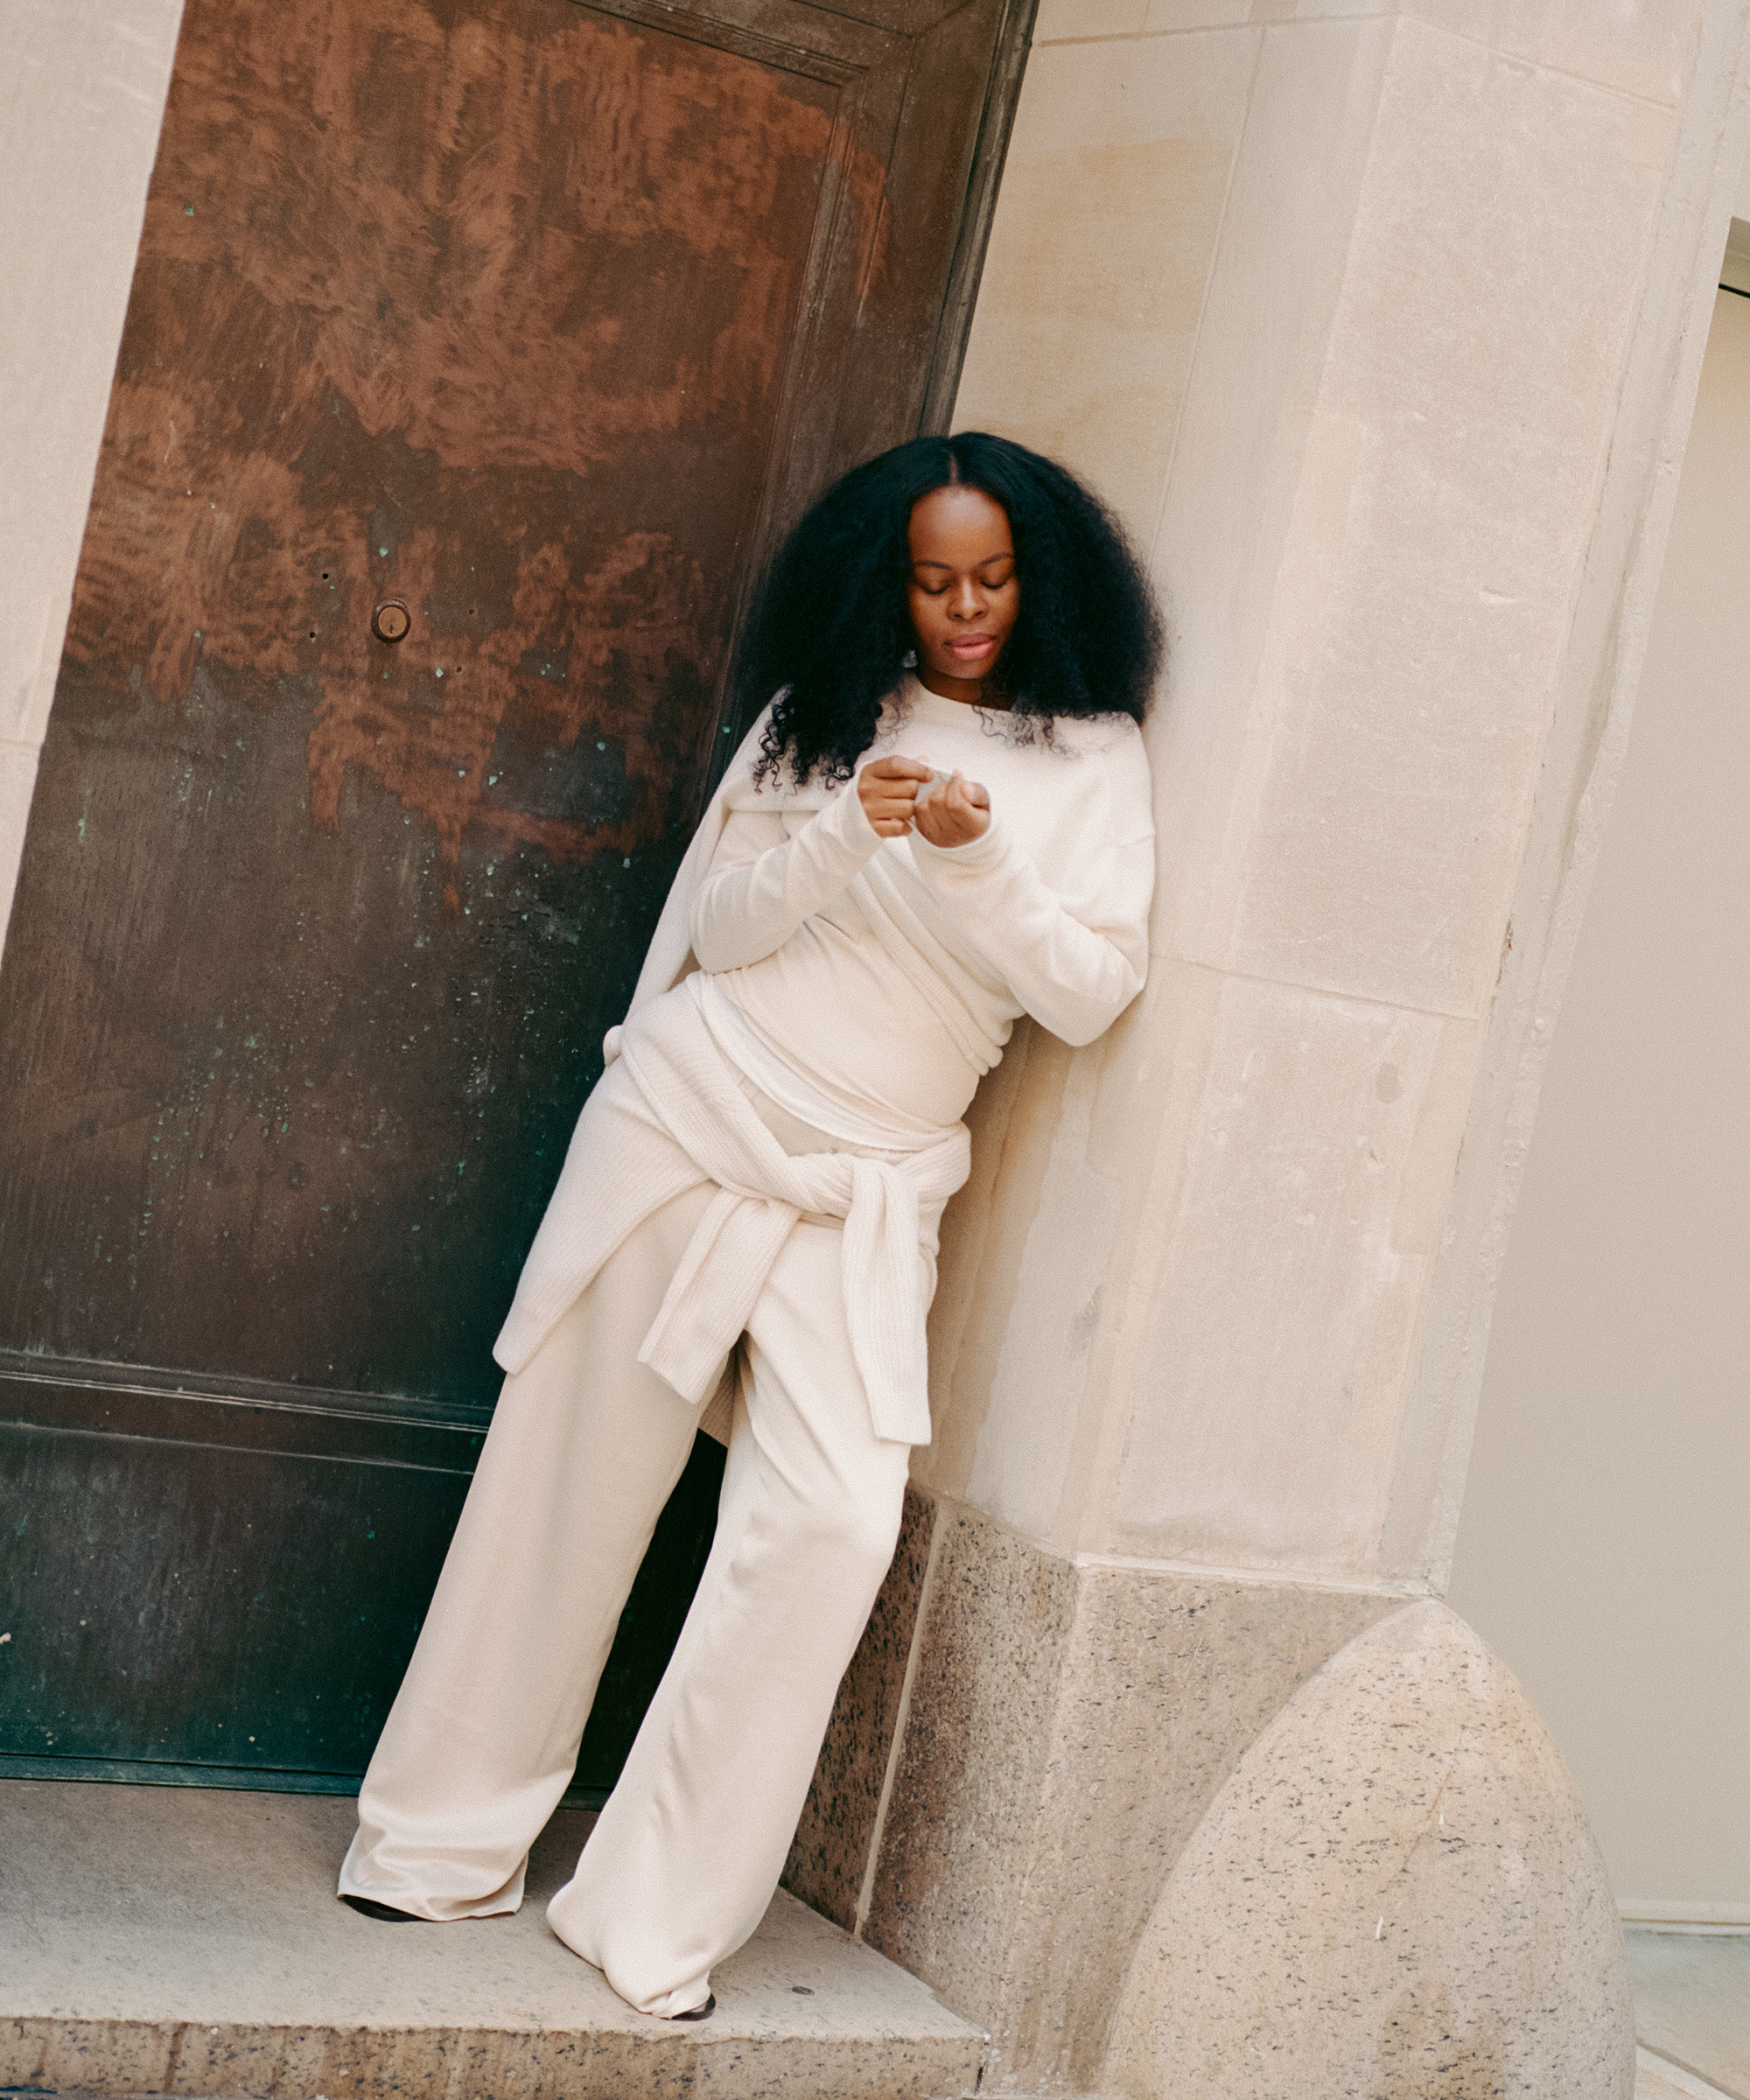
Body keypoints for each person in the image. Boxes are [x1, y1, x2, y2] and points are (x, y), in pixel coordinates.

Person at [335, 431, 1163, 2019]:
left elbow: (1089, 990)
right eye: (933, 582)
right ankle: (434, 1845)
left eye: (992, 580)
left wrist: (981, 860)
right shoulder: (822, 715)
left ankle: (646, 1915)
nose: (964, 610)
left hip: (864, 1195)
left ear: (1042, 581)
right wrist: (853, 824)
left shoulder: (1099, 758)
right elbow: (717, 928)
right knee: (571, 1479)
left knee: (833, 1528)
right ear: (888, 582)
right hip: (695, 1120)